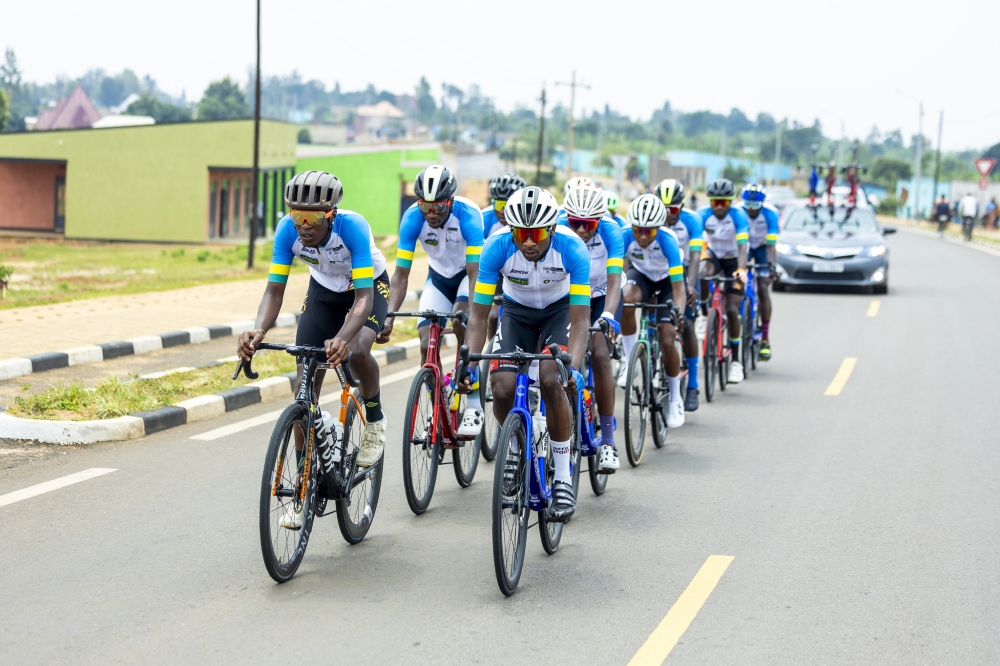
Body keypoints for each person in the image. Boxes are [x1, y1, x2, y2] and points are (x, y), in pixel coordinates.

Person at [237, 171, 389, 527]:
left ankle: (375, 418)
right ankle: (305, 484)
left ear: (331, 214)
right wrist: (258, 330)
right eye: (296, 215)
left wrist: (344, 338)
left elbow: (364, 298)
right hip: (323, 290)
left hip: (364, 290)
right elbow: (274, 291)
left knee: (359, 349)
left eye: (313, 218)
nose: (303, 225)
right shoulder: (287, 231)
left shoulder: (353, 227)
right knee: (304, 387)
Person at [460, 186, 591, 522]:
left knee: (551, 378)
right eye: (521, 234)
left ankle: (562, 476)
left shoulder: (572, 248)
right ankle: (517, 447)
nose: (528, 242)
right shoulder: (496, 248)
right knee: (501, 386)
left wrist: (572, 370)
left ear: (550, 229)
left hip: (559, 312)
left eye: (535, 235)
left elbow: (580, 323)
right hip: (517, 313)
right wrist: (468, 367)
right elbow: (477, 316)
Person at [379, 165, 485, 436]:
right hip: (437, 278)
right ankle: (435, 406)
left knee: (462, 322)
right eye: (425, 206)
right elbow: (401, 275)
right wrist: (388, 315)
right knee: (426, 341)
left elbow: (475, 273)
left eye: (438, 207)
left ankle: (472, 399)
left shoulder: (469, 216)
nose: (431, 214)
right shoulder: (413, 218)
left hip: (466, 276)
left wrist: (474, 314)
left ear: (450, 201)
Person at [559, 182, 625, 472]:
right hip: (568, 297)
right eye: (576, 223)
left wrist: (609, 314)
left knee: (599, 353)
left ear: (599, 219)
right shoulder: (557, 227)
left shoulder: (611, 231)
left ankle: (609, 440)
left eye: (588, 225)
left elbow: (614, 282)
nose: (582, 230)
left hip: (600, 297)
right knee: (556, 355)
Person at [619, 194, 688, 428]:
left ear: (659, 227)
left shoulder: (669, 241)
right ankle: (630, 361)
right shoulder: (625, 236)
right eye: (639, 230)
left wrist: (676, 313)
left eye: (650, 231)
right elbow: (618, 275)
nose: (643, 236)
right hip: (642, 276)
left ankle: (676, 397)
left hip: (667, 282)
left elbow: (679, 288)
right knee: (626, 299)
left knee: (667, 339)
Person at [653, 178, 704, 410]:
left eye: (672, 209)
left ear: (681, 207)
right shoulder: (651, 221)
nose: (667, 214)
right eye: (663, 208)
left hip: (683, 272)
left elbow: (695, 257)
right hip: (655, 272)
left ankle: (692, 384)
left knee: (688, 325)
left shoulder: (692, 221)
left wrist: (691, 285)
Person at [698, 178, 749, 384]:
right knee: (702, 272)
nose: (719, 207)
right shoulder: (703, 215)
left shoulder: (738, 216)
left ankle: (736, 362)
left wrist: (741, 269)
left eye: (724, 202)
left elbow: (743, 246)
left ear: (730, 202)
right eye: (715, 202)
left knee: (731, 310)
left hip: (733, 260)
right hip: (714, 256)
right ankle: (704, 314)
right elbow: (697, 244)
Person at [482, 174, 526, 342]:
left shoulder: (529, 220)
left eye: (506, 205)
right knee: (493, 317)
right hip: (498, 272)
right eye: (497, 204)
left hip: (523, 271)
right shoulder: (484, 220)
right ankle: (493, 354)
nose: (501, 210)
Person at [741, 184, 778, 361]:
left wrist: (771, 266)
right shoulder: (739, 213)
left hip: (763, 248)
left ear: (762, 204)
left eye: (755, 206)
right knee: (735, 280)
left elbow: (771, 246)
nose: (751, 209)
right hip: (745, 247)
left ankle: (765, 338)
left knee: (763, 288)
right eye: (748, 204)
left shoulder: (771, 214)